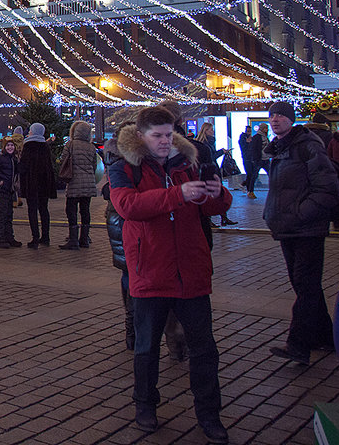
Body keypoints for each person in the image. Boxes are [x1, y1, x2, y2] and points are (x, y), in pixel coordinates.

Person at [109, 105, 231, 444]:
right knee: (146, 348)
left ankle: (209, 413)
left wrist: (216, 193)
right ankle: (145, 405)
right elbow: (128, 208)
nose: (164, 142)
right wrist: (178, 194)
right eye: (157, 136)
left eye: (168, 134)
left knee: (204, 349)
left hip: (191, 271)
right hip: (150, 271)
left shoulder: (187, 164)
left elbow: (213, 207)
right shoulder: (125, 168)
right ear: (142, 136)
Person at [263, 100, 339, 367]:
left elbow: (327, 187)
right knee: (304, 285)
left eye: (281, 116)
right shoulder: (280, 148)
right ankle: (326, 337)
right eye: (272, 116)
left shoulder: (308, 145)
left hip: (306, 229)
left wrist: (301, 214)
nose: (274, 120)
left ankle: (298, 345)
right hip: (288, 228)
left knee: (305, 286)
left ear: (291, 120)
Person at [102, 180, 186, 358]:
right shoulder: (134, 178)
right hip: (134, 243)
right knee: (140, 287)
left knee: (130, 284)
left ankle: (132, 333)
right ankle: (171, 341)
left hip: (125, 241)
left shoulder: (121, 180)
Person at [57, 120, 98, 250]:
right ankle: (84, 239)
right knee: (85, 211)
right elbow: (94, 165)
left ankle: (73, 240)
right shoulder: (91, 147)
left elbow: (63, 160)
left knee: (71, 210)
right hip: (89, 183)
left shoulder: (70, 144)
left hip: (74, 182)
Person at [19, 123, 55, 248]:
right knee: (44, 209)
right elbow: (50, 166)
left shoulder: (28, 145)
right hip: (44, 183)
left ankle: (35, 237)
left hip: (31, 183)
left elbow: (23, 166)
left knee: (32, 210)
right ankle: (46, 237)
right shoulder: (45, 146)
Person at [196, 123, 236, 227]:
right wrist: (221, 152)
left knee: (218, 192)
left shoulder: (210, 141)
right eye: (210, 130)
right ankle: (210, 218)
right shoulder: (204, 143)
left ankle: (224, 217)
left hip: (214, 169)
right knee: (210, 193)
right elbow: (210, 157)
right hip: (209, 170)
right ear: (205, 131)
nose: (212, 131)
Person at [0, 137, 22, 247]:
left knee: (9, 214)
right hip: (2, 190)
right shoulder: (0, 158)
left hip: (10, 190)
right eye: (8, 145)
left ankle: (9, 237)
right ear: (4, 147)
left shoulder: (13, 159)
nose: (10, 147)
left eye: (12, 145)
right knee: (1, 214)